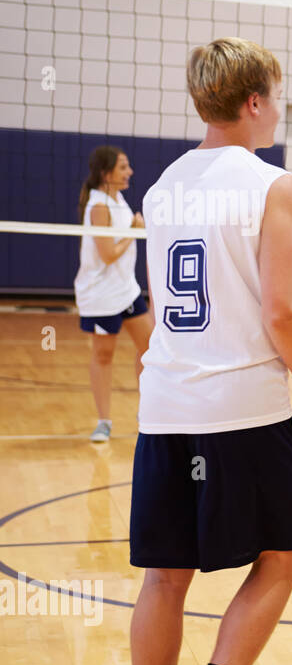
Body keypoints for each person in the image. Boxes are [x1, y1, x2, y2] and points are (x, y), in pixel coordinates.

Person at [129, 37, 292, 665]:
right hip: (243, 408)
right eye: (274, 96)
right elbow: (281, 312)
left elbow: (159, 304)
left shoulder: (159, 188)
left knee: (164, 576)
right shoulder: (274, 184)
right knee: (282, 557)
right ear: (253, 101)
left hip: (167, 403)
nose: (277, 110)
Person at [74, 145, 153, 443]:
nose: (129, 171)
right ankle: (104, 422)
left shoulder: (116, 198)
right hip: (100, 295)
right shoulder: (98, 206)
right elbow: (108, 255)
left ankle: (148, 412)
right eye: (123, 167)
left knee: (150, 349)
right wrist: (134, 229)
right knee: (103, 355)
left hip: (126, 290)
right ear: (107, 173)